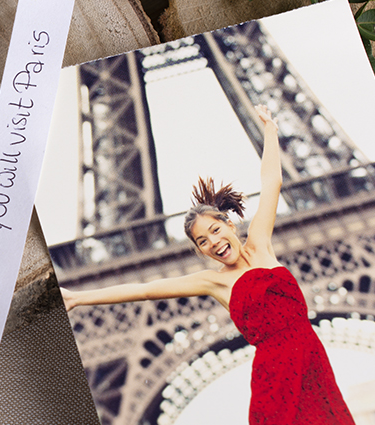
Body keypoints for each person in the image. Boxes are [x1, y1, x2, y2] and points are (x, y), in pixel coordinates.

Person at [61, 105, 355, 424]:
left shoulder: (260, 245)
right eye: (203, 241)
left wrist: (270, 129)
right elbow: (146, 290)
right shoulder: (214, 282)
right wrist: (78, 297)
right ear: (201, 250)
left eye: (215, 230)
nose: (213, 242)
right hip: (274, 377)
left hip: (312, 364)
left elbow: (272, 182)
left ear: (229, 224)